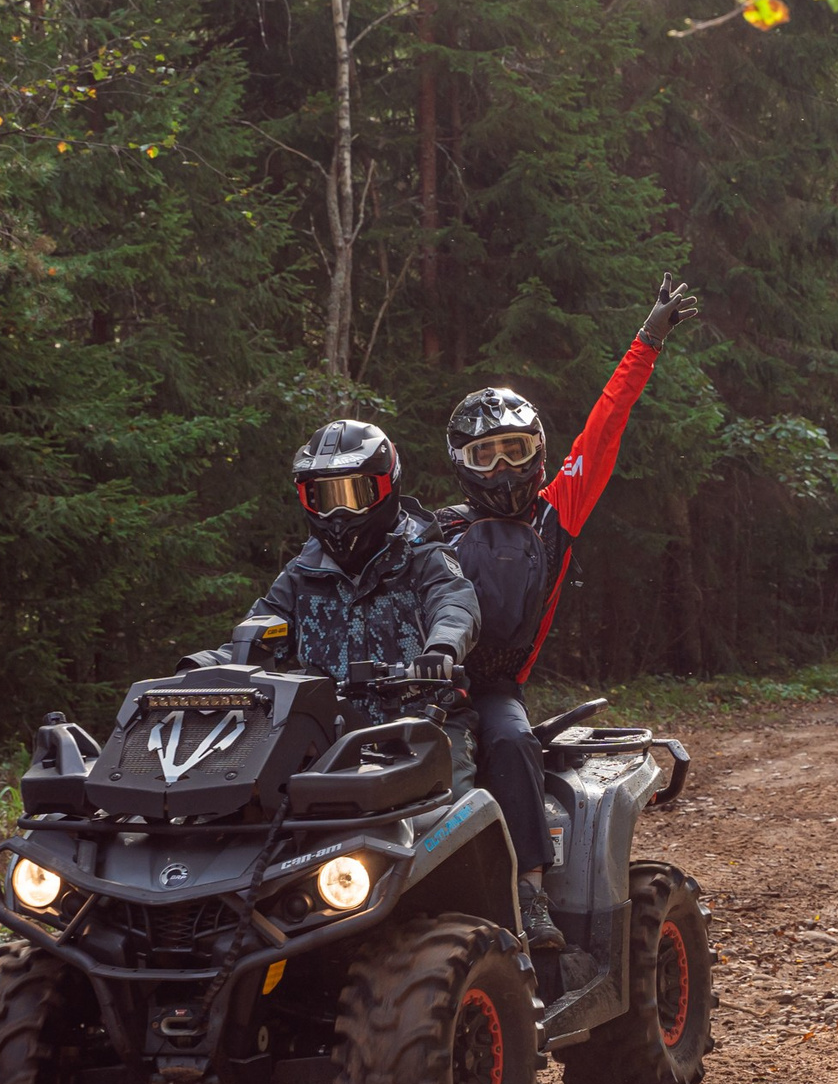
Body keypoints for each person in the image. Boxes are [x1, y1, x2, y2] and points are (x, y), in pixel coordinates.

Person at [426, 274, 701, 983]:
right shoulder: (432, 529)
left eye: (516, 449)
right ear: (460, 460)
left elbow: (605, 424)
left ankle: (529, 894)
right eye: (485, 454)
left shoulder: (557, 511)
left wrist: (647, 341)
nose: (504, 467)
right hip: (418, 685)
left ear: (539, 452)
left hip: (491, 686)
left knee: (512, 742)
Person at [209, 420, 481, 784]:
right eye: (323, 497)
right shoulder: (300, 575)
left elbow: (454, 603)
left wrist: (443, 645)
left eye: (352, 495)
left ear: (387, 485)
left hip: (424, 723)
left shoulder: (424, 558)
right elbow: (257, 633)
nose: (337, 514)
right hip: (324, 733)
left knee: (446, 811)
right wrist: (203, 668)